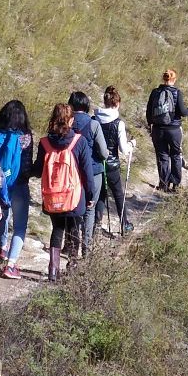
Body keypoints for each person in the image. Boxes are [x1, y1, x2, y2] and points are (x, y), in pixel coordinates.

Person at [34, 103, 92, 282]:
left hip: (52, 196)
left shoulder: (44, 143)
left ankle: (53, 270)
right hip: (73, 196)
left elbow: (37, 169)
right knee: (74, 229)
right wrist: (89, 196)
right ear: (71, 120)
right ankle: (72, 266)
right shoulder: (79, 141)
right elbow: (87, 172)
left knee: (57, 230)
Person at [0, 99, 33, 279]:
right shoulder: (25, 136)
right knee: (20, 226)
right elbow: (27, 165)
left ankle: (2, 248)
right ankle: (11, 265)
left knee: (2, 216)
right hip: (18, 183)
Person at [68, 91, 108, 258]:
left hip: (71, 173)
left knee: (73, 209)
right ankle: (86, 249)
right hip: (93, 172)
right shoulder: (93, 124)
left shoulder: (66, 123)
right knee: (89, 210)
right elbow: (104, 153)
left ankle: (71, 247)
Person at [95, 87, 135, 236]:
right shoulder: (119, 123)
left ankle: (96, 225)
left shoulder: (95, 119)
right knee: (118, 194)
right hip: (112, 165)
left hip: (98, 163)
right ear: (117, 103)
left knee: (100, 195)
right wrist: (132, 145)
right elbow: (124, 149)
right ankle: (124, 225)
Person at [145, 70, 188, 192]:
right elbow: (182, 112)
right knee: (175, 155)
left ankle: (163, 184)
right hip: (174, 130)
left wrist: (151, 125)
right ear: (174, 79)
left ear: (163, 78)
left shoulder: (155, 92)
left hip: (158, 130)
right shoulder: (177, 93)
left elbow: (148, 111)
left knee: (162, 156)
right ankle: (176, 183)